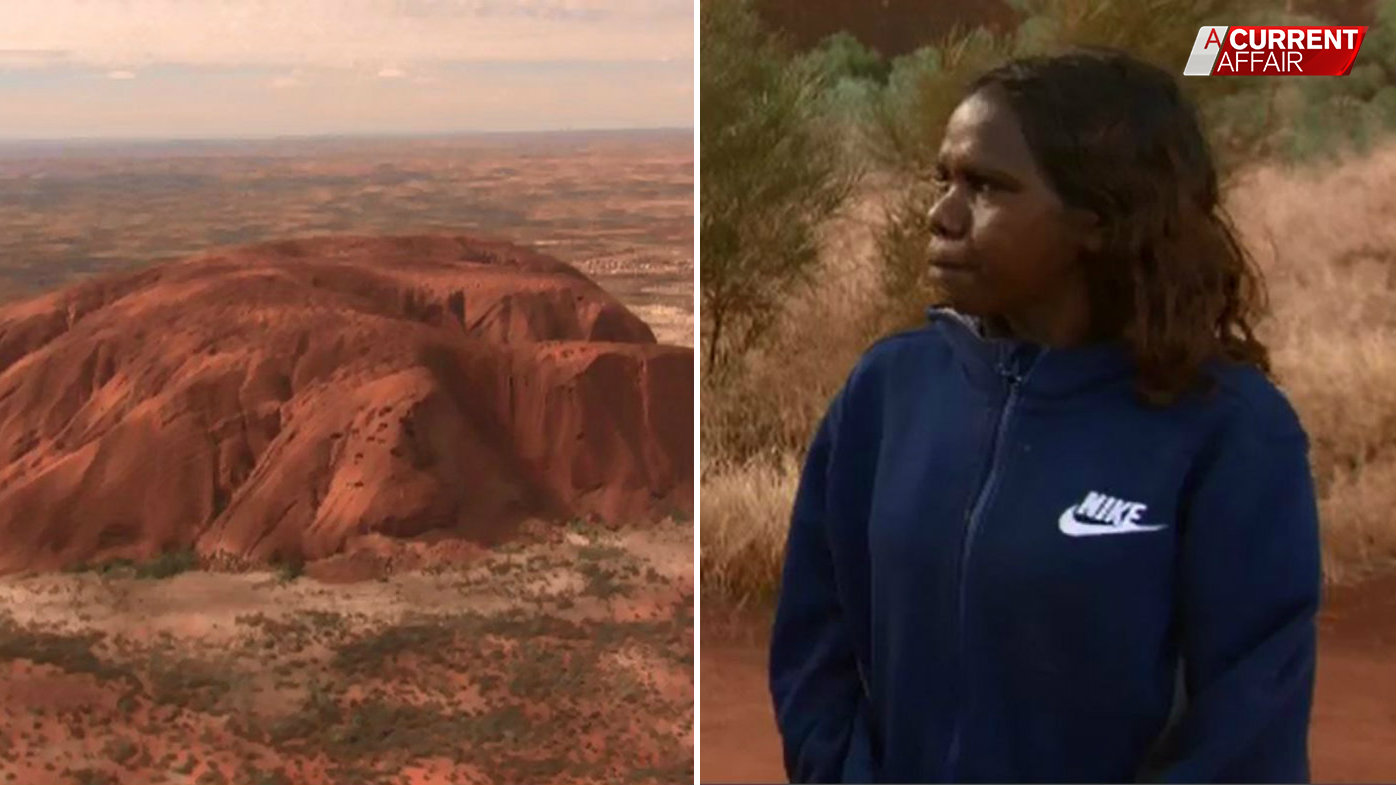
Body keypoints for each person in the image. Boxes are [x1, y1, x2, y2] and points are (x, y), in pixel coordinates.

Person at [768, 49, 1321, 784]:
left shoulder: (1227, 431)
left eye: (986, 187)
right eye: (944, 180)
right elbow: (816, 648)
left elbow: (1248, 728)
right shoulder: (888, 393)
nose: (941, 215)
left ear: (1097, 219)